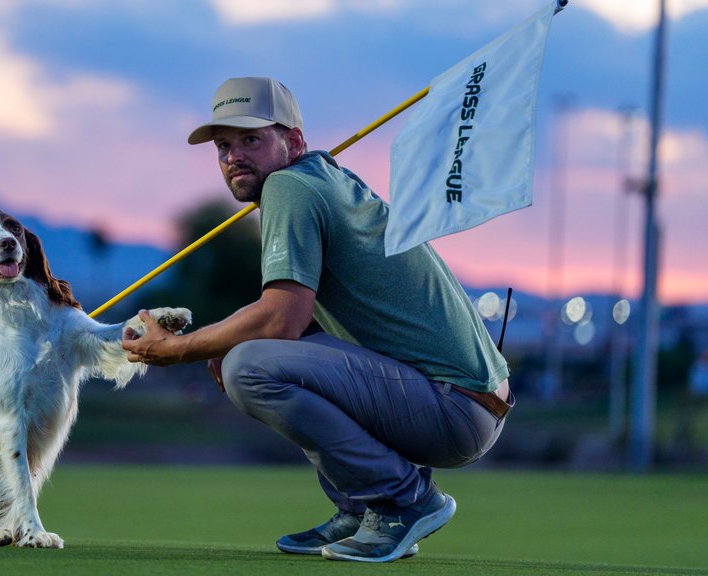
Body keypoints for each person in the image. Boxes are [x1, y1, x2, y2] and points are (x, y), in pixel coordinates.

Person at [122, 76, 512, 564]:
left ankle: (402, 501)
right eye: (223, 146)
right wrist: (224, 339)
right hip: (467, 403)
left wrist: (179, 349)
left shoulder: (288, 186)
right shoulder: (322, 180)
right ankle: (361, 506)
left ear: (294, 141)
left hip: (454, 407)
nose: (233, 157)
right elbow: (299, 322)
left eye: (250, 140)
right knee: (250, 353)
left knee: (249, 368)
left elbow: (282, 318)